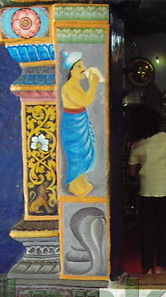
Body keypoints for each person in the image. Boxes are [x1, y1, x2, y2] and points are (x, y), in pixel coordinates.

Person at [128, 105, 166, 274]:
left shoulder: (136, 146)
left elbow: (132, 172)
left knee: (147, 230)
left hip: (146, 192)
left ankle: (147, 267)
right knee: (165, 229)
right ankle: (161, 266)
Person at [60, 52, 102, 197]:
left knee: (85, 152)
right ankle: (75, 185)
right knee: (77, 154)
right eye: (78, 66)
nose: (83, 68)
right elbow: (84, 101)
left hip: (80, 119)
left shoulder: (76, 85)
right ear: (71, 71)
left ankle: (81, 182)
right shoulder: (69, 87)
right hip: (73, 124)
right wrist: (93, 85)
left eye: (82, 65)